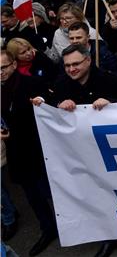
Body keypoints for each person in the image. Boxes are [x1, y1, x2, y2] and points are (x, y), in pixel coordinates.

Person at [1, 50, 57, 257]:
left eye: (3, 67)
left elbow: (51, 104)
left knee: (50, 191)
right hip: (16, 151)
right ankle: (48, 228)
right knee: (32, 195)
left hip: (39, 149)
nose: (0, 72)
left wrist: (42, 100)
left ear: (14, 65)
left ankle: (74, 223)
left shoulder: (31, 83)